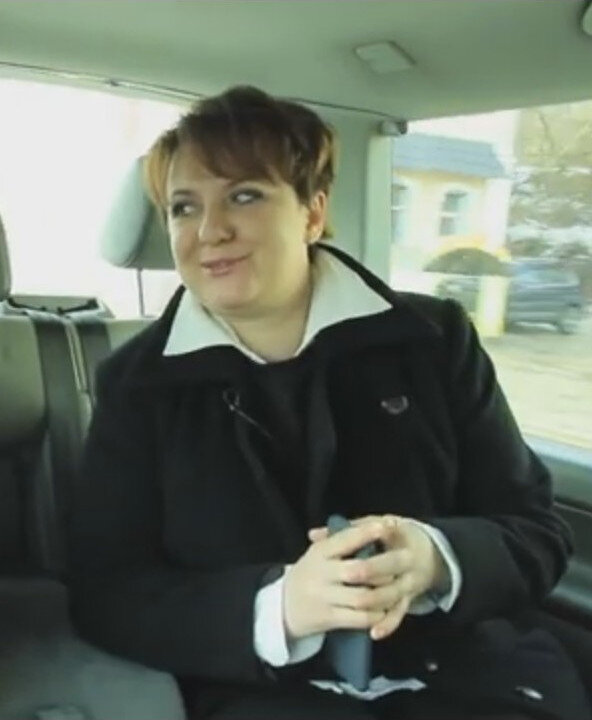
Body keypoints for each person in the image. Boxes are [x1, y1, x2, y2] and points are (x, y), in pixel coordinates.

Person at [67, 85, 588, 719]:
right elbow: (107, 592)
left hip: (469, 671)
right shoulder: (136, 384)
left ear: (312, 214)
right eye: (183, 207)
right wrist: (278, 608)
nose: (210, 231)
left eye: (244, 195)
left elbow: (535, 529)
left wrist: (438, 558)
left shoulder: (434, 340)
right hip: (267, 692)